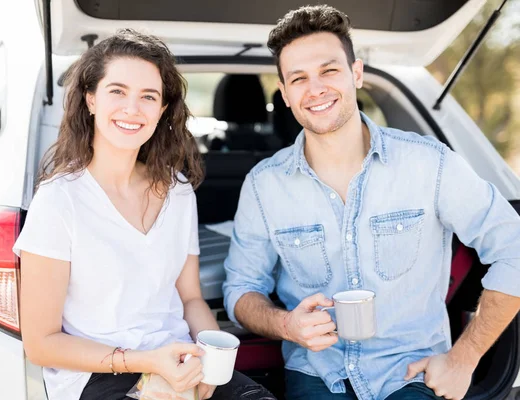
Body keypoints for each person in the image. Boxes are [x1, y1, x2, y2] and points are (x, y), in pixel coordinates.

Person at [222, 5, 520, 400]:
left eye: (329, 71)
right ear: (286, 96)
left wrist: (464, 359)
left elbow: (514, 248)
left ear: (356, 74)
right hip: (316, 376)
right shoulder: (264, 185)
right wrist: (285, 325)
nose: (315, 89)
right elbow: (241, 288)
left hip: (412, 375)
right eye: (298, 79)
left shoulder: (430, 164)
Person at [14, 29, 275, 400]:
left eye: (148, 96)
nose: (132, 109)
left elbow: (190, 300)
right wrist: (148, 361)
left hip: (179, 357)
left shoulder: (178, 190)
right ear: (90, 99)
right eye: (117, 91)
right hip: (97, 373)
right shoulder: (59, 200)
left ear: (163, 109)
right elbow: (41, 344)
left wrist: (210, 360)